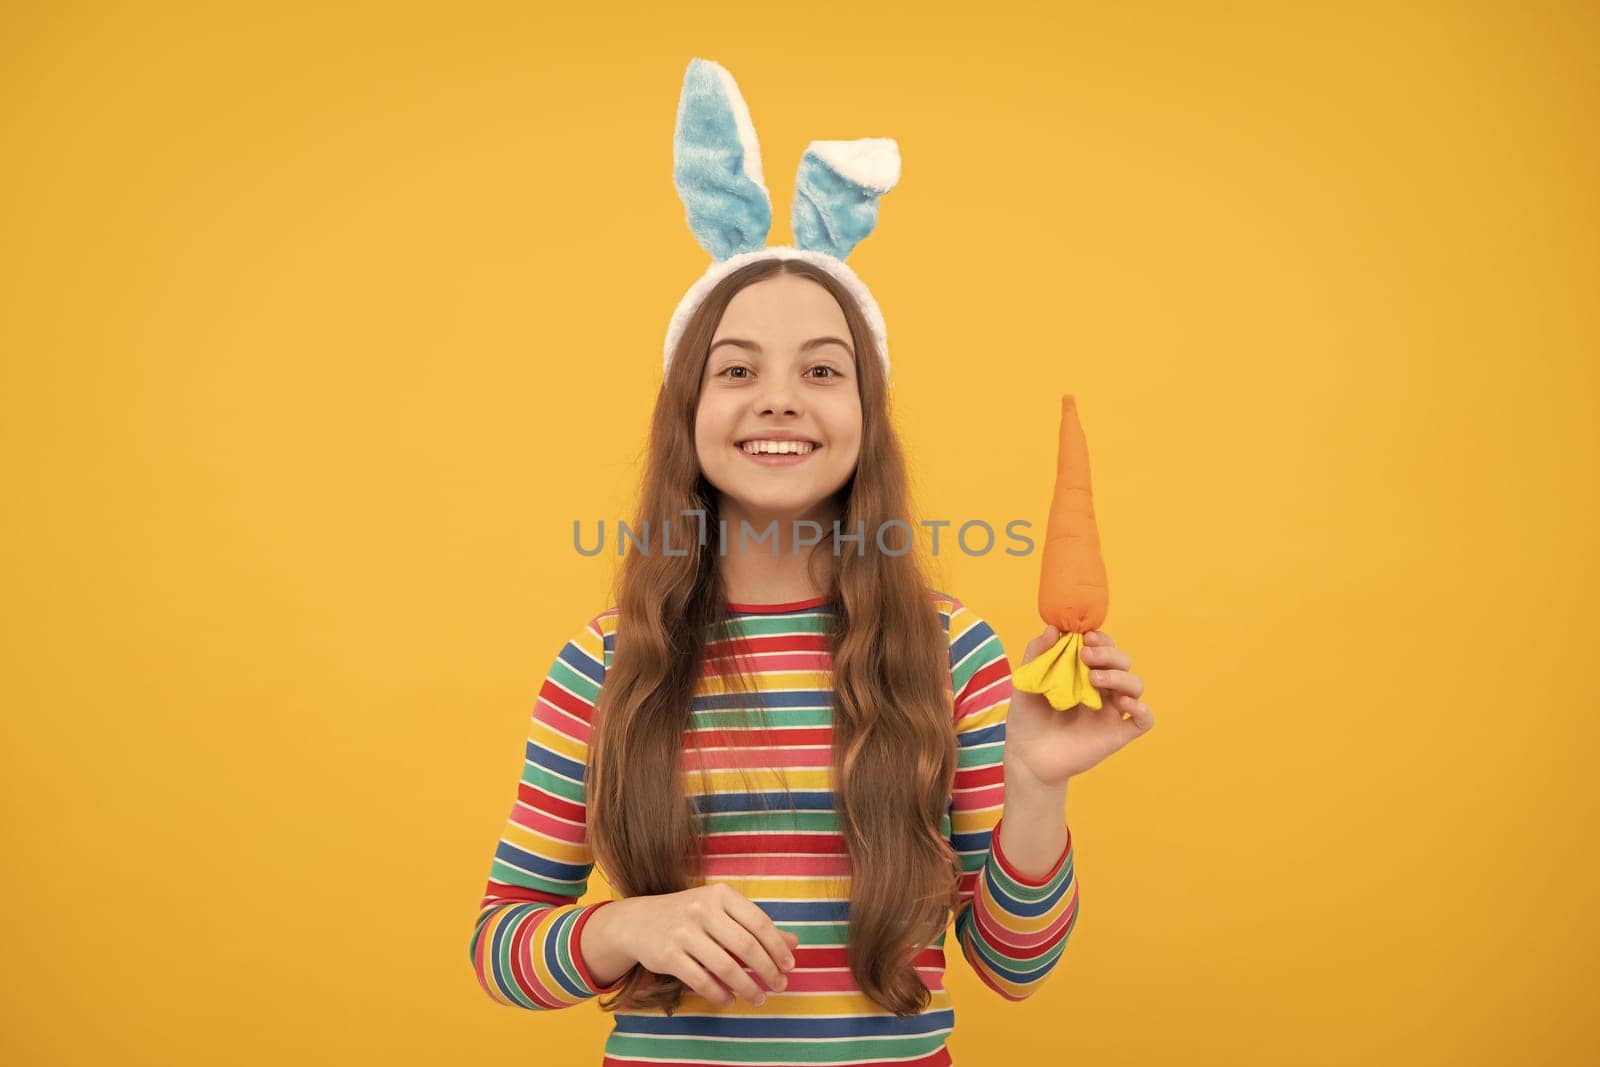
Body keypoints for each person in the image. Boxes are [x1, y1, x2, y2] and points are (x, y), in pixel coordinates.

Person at [468, 58, 1154, 1066]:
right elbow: (501, 941)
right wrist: (624, 926)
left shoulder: (951, 650)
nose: (780, 398)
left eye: (822, 370)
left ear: (864, 418)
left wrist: (1034, 780)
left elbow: (1014, 963)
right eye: (737, 368)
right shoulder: (601, 661)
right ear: (688, 416)